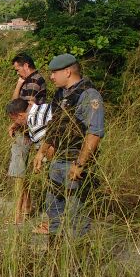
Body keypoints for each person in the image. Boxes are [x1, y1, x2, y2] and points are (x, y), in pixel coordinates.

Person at [32, 53, 104, 239]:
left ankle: (79, 258)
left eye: (54, 72)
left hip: (73, 161)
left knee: (76, 213)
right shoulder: (60, 94)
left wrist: (80, 163)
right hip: (57, 160)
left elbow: (94, 133)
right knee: (52, 206)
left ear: (68, 71)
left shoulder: (89, 95)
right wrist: (41, 152)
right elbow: (54, 126)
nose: (51, 77)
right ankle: (54, 250)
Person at [8, 52, 47, 224]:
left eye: (18, 70)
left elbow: (20, 109)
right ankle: (26, 206)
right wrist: (18, 84)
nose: (18, 73)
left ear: (26, 65)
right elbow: (15, 105)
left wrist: (16, 124)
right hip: (26, 129)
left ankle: (19, 213)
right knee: (20, 171)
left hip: (30, 130)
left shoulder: (34, 81)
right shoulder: (28, 81)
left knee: (19, 171)